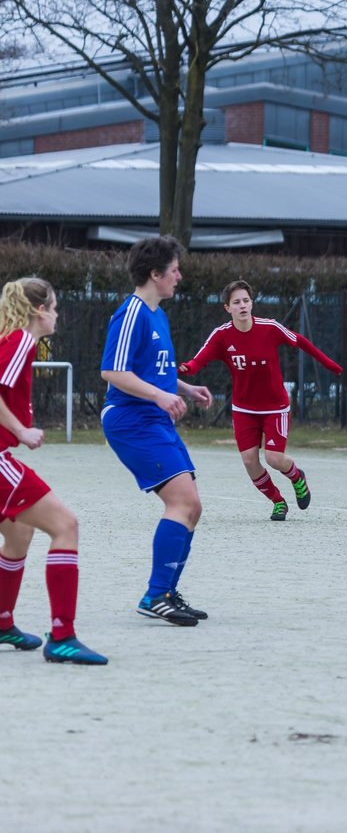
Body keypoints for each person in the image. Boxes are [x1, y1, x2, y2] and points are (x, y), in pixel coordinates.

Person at [101, 236, 213, 626]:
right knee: (182, 502)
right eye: (174, 270)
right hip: (130, 419)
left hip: (152, 417)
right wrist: (159, 398)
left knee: (192, 506)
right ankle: (155, 595)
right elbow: (113, 372)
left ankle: (165, 592)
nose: (179, 277)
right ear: (154, 274)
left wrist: (183, 389)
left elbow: (154, 370)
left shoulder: (157, 315)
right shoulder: (131, 313)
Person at [0, 278, 107, 665]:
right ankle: (62, 636)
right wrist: (21, 430)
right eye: (56, 307)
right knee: (66, 526)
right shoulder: (22, 341)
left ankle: (2, 621)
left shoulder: (12, 340)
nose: (58, 314)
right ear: (40, 310)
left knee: (20, 533)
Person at [179, 280, 343, 521]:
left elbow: (300, 341)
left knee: (274, 458)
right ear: (227, 308)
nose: (242, 305)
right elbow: (198, 361)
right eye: (236, 302)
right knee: (249, 461)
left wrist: (330, 365)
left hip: (275, 407)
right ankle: (278, 501)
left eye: (246, 300)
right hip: (244, 408)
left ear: (252, 303)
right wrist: (185, 368)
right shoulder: (222, 336)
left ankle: (298, 477)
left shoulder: (270, 328)